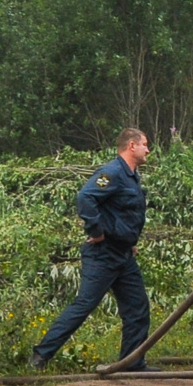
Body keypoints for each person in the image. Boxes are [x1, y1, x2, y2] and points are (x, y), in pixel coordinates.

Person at [30, 128, 155, 371]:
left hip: (124, 255)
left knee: (137, 307)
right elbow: (85, 198)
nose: (147, 150)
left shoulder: (132, 176)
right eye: (145, 145)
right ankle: (40, 356)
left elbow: (123, 212)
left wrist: (130, 241)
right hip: (103, 255)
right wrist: (96, 232)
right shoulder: (112, 173)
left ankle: (131, 362)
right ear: (131, 146)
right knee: (84, 305)